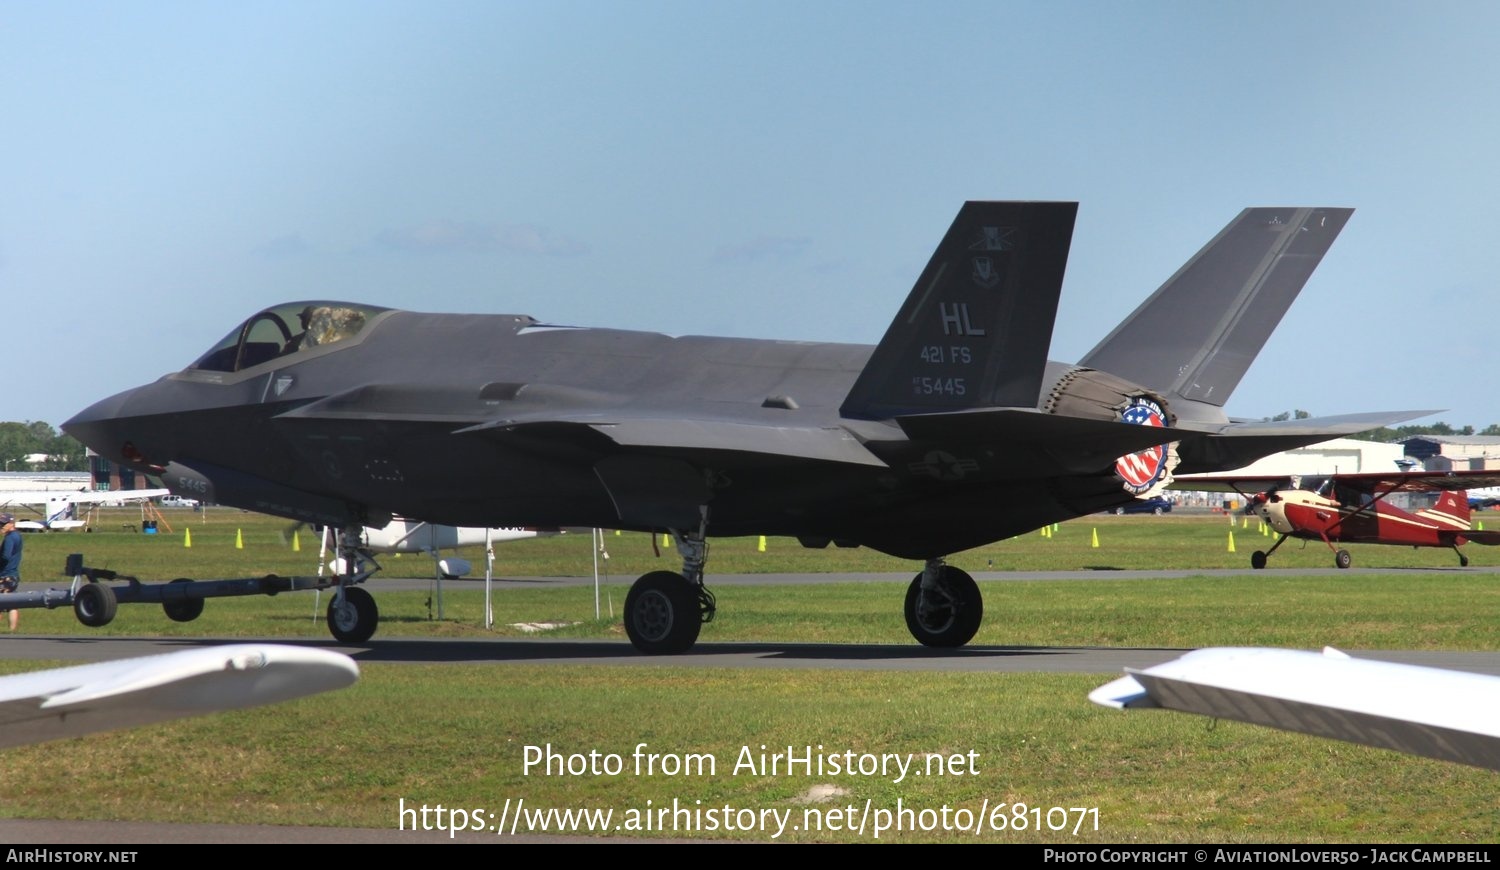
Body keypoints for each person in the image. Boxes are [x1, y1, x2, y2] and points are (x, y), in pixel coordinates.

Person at [0, 513, 18, 631]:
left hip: (5, 575)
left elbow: (5, 556)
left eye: (3, 524)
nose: (1, 526)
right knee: (11, 603)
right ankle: (12, 629)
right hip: (13, 574)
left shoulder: (9, 538)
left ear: (11, 524)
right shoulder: (17, 536)